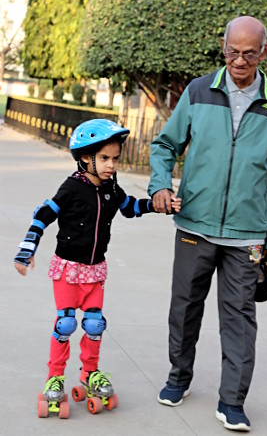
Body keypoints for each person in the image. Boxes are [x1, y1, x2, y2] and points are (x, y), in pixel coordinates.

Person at [148, 16, 267, 432]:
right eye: (233, 51)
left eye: (249, 53)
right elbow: (164, 145)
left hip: (247, 235)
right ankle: (178, 378)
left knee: (239, 317)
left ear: (264, 52)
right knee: (185, 308)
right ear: (223, 47)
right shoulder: (197, 91)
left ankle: (232, 401)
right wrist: (160, 186)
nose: (240, 61)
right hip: (195, 223)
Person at [14, 119, 181, 413]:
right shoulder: (71, 188)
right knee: (65, 324)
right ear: (84, 157)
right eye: (104, 158)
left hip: (95, 270)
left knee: (94, 325)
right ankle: (54, 378)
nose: (111, 165)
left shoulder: (110, 189)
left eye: (115, 159)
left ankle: (89, 373)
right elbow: (43, 214)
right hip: (68, 269)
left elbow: (129, 207)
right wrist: (27, 249)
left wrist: (156, 205)